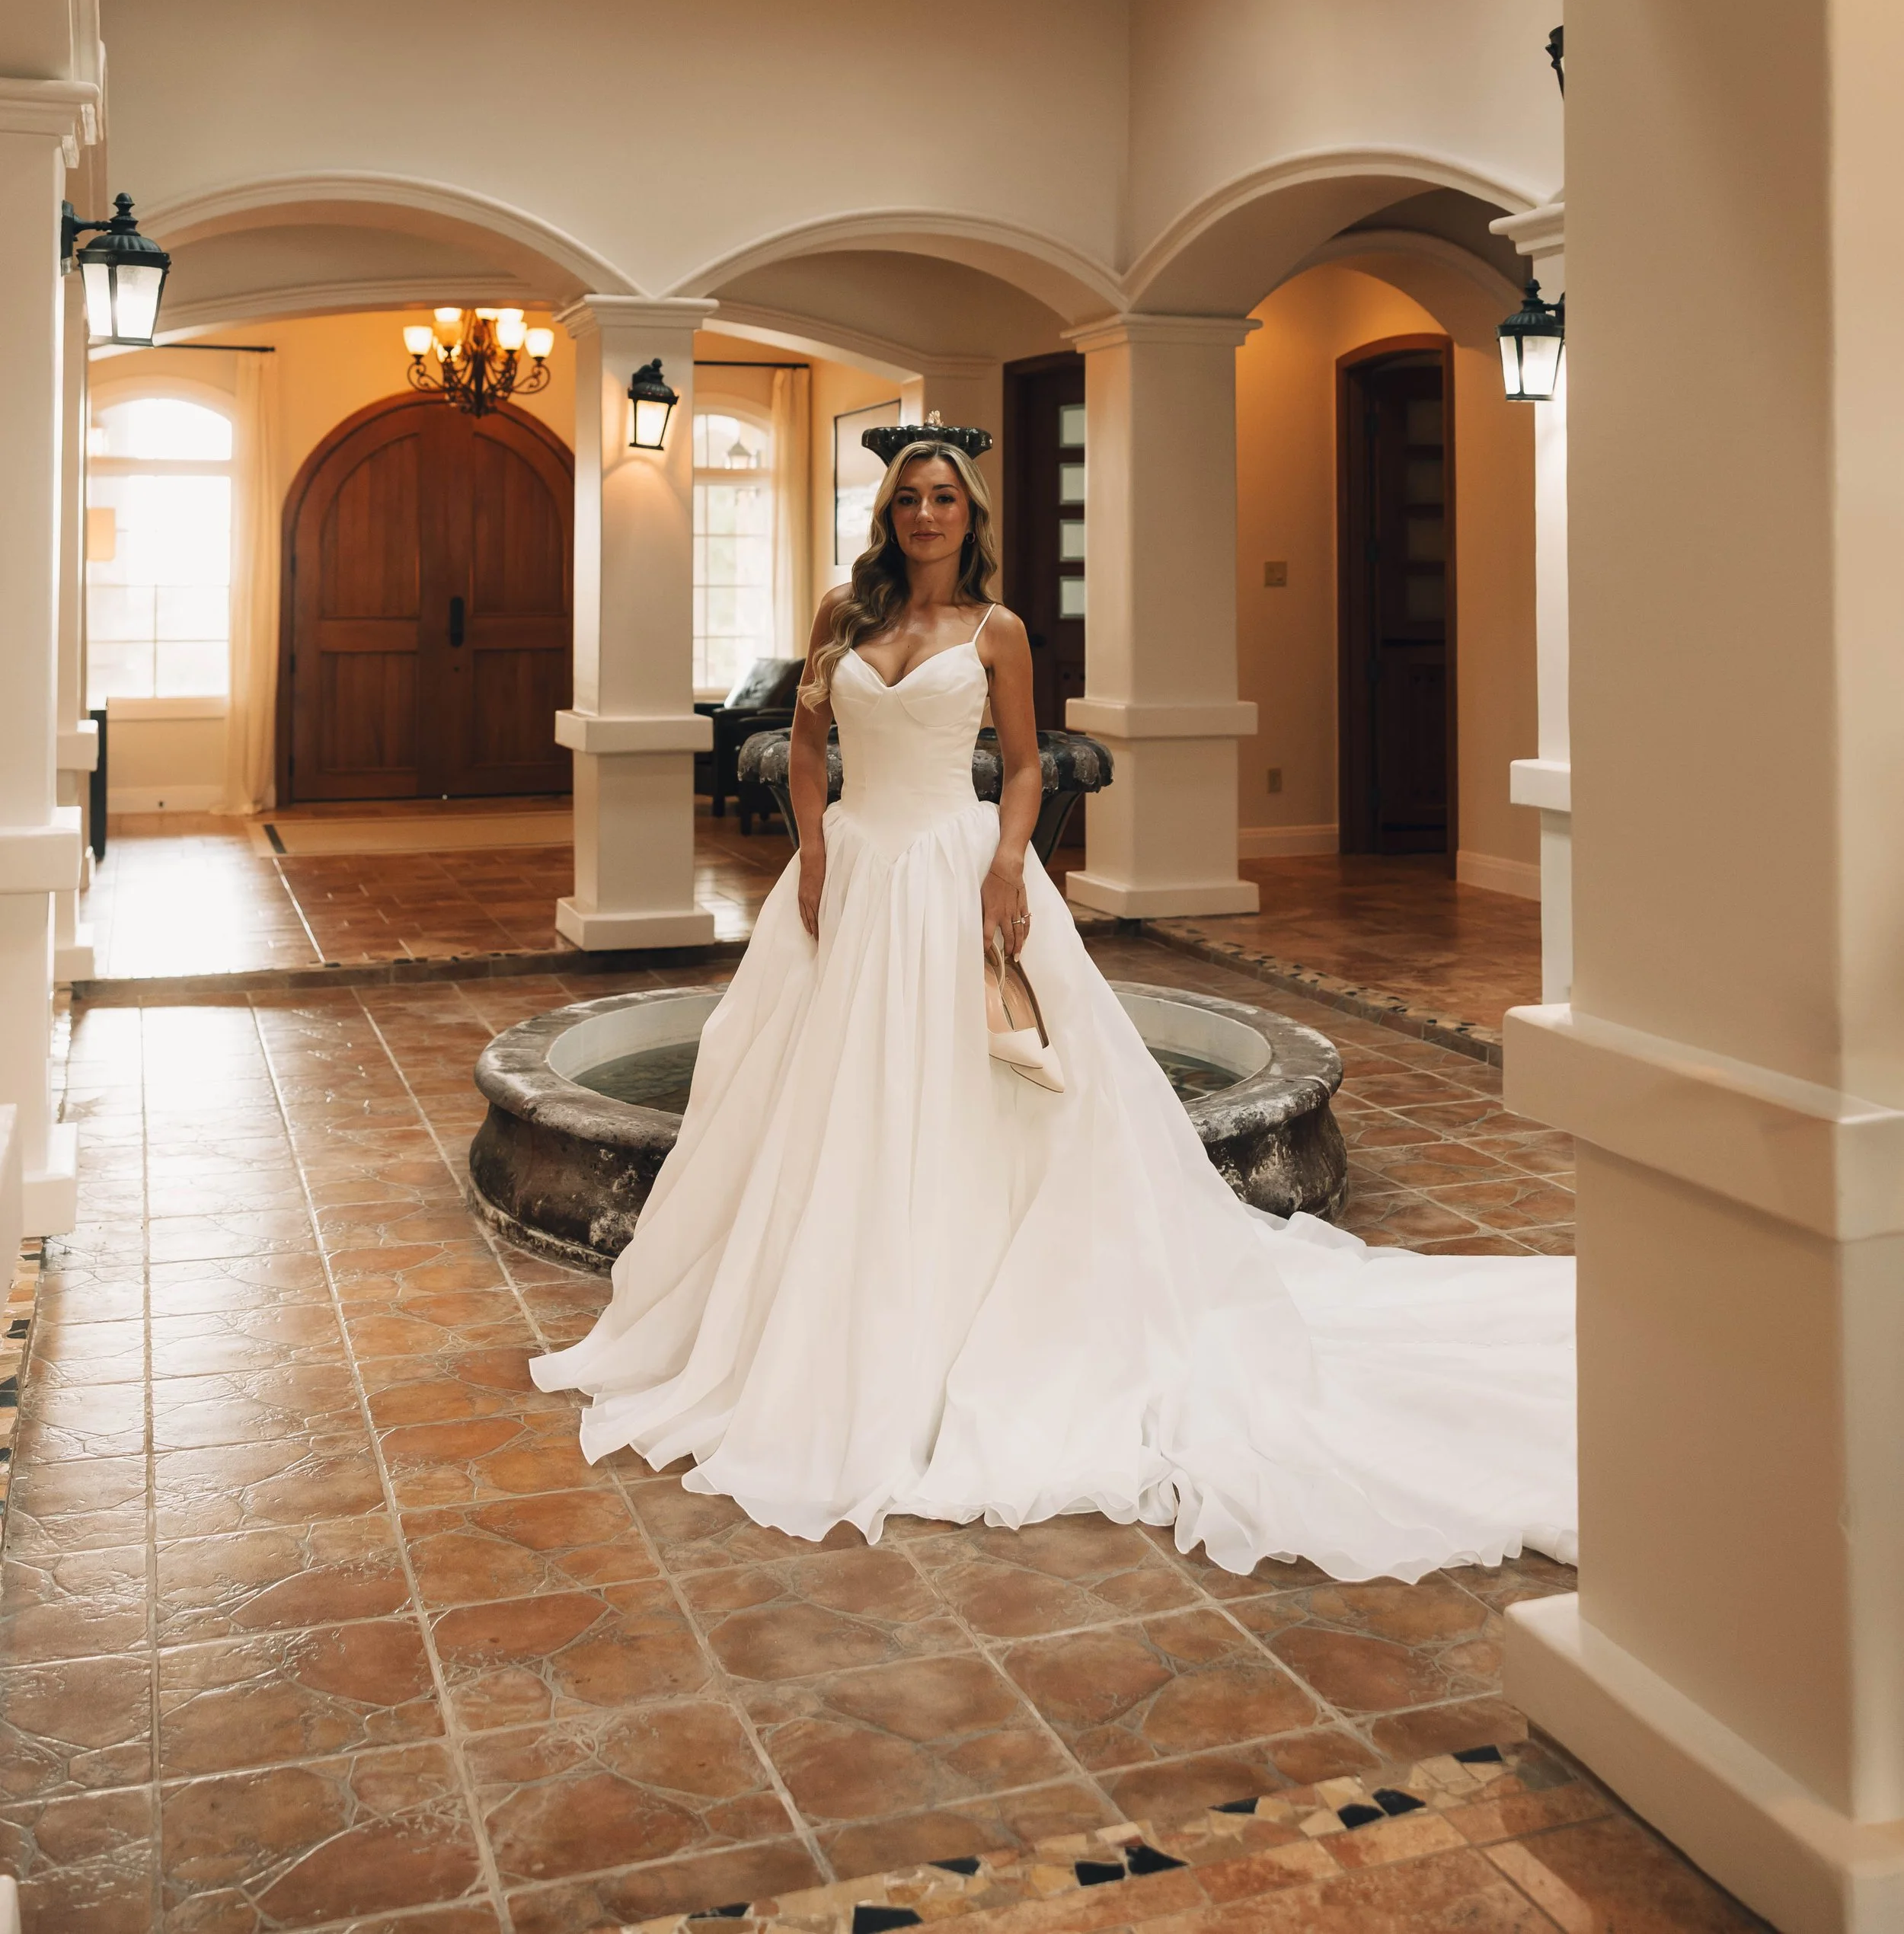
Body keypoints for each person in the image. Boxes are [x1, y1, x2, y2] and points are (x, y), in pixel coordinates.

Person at [532, 435, 1575, 1583]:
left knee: (986, 1093)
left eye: (945, 498)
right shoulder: (844, 612)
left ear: (970, 515)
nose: (927, 514)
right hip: (856, 877)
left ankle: (979, 1315)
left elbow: (1024, 765)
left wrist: (1004, 866)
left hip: (956, 868)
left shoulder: (999, 630)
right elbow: (811, 747)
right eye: (909, 498)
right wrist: (815, 851)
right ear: (889, 513)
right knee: (824, 1096)